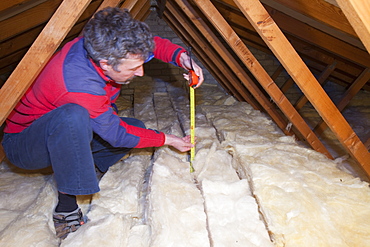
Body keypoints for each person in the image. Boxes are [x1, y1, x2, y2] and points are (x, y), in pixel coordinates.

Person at [1, 7, 203, 240]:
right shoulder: (78, 83)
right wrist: (168, 139)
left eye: (142, 63)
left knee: (136, 126)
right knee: (74, 117)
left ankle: (87, 167)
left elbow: (152, 44)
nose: (141, 72)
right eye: (134, 68)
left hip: (63, 131)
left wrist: (183, 58)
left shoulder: (102, 43)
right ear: (106, 64)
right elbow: (117, 135)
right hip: (25, 143)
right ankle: (66, 209)